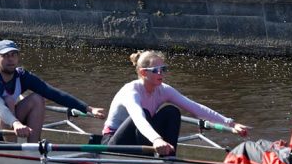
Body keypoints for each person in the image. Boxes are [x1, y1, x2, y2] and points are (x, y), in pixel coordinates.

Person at [101, 50, 249, 156]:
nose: (161, 73)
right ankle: (155, 157)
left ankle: (169, 157)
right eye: (156, 70)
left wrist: (230, 124)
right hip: (113, 143)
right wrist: (157, 139)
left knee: (171, 111)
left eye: (163, 69)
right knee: (144, 113)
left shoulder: (163, 89)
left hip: (140, 138)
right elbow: (139, 119)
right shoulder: (131, 91)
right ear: (143, 72)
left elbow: (195, 107)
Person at [0, 39, 106, 142]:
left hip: (5, 125)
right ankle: (12, 151)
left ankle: (32, 148)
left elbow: (53, 93)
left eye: (13, 55)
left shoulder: (22, 76)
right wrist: (16, 123)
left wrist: (88, 109)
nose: (11, 59)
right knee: (7, 101)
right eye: (5, 56)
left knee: (37, 99)